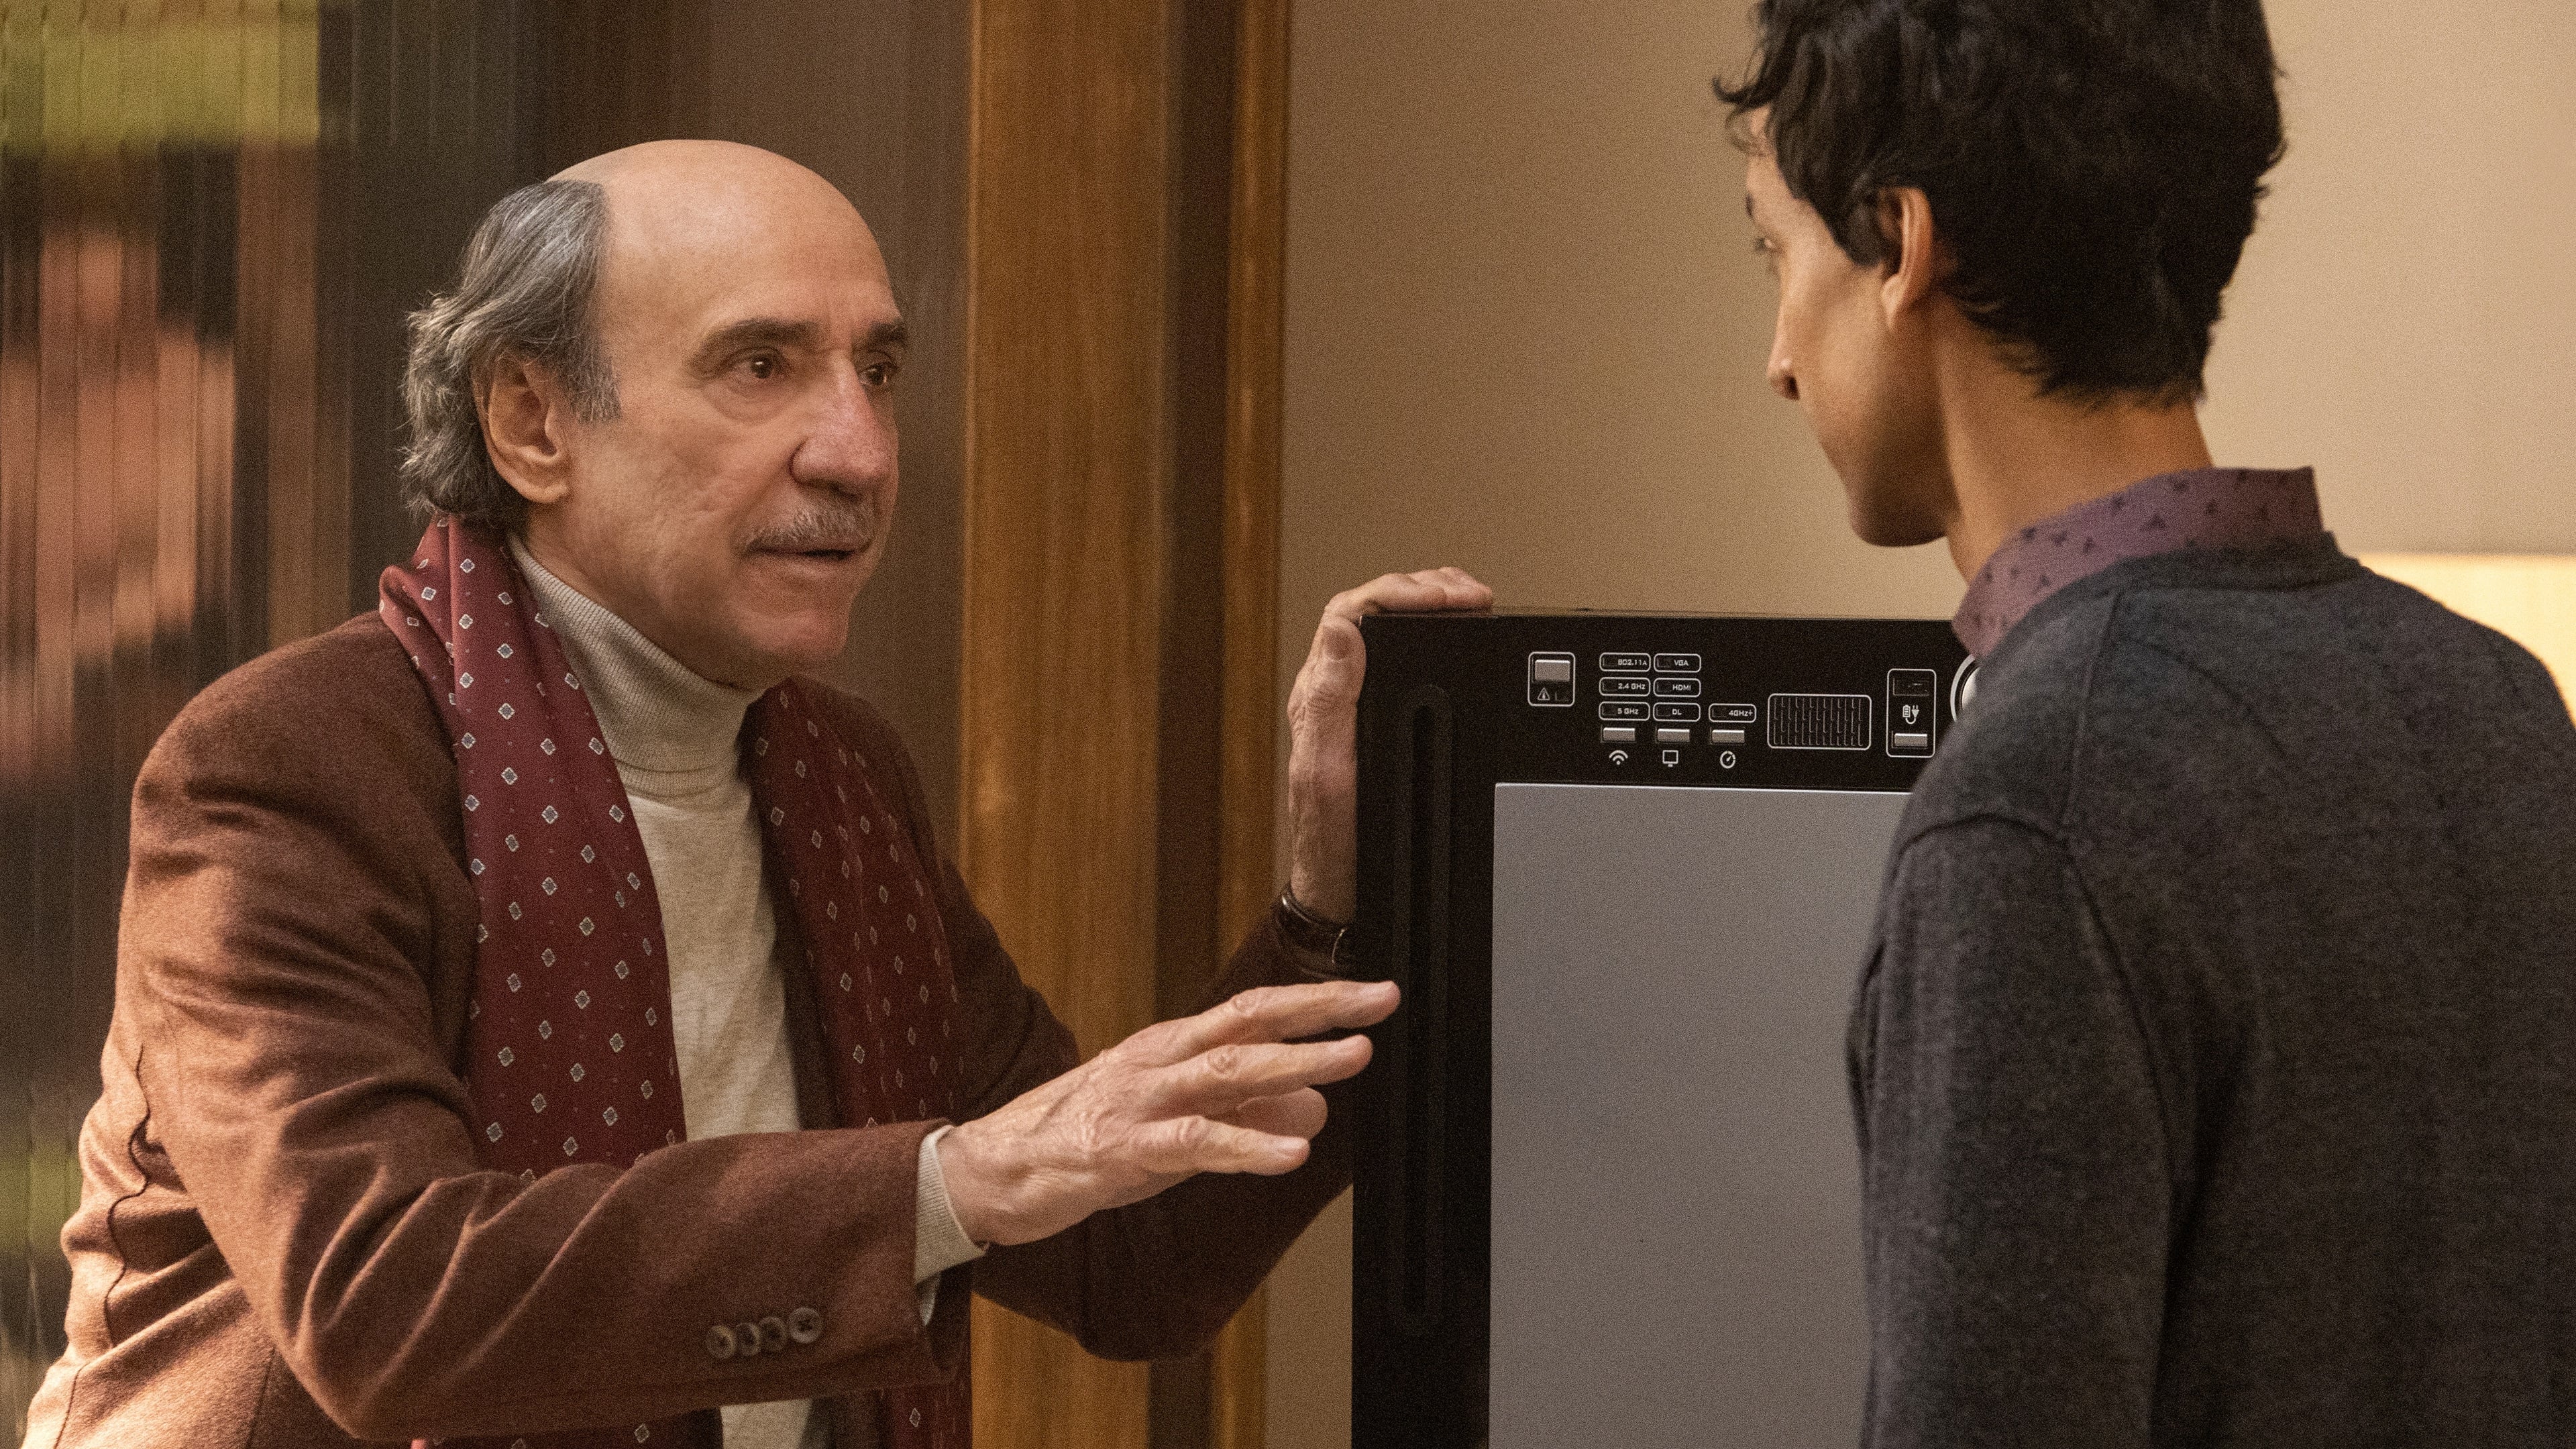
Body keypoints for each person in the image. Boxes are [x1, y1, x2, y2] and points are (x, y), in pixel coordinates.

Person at [20, 140, 1489, 1449]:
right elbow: (386, 1302)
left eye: (880, 372)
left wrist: (1342, 902)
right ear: (532, 422)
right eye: (761, 367)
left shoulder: (839, 781)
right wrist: (949, 1183)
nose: (858, 453)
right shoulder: (287, 766)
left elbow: (1135, 1257)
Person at [1719, 1, 2576, 1444]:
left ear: (1903, 244)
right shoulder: (2503, 708)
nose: (1779, 358)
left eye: (1777, 253)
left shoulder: (2037, 808)